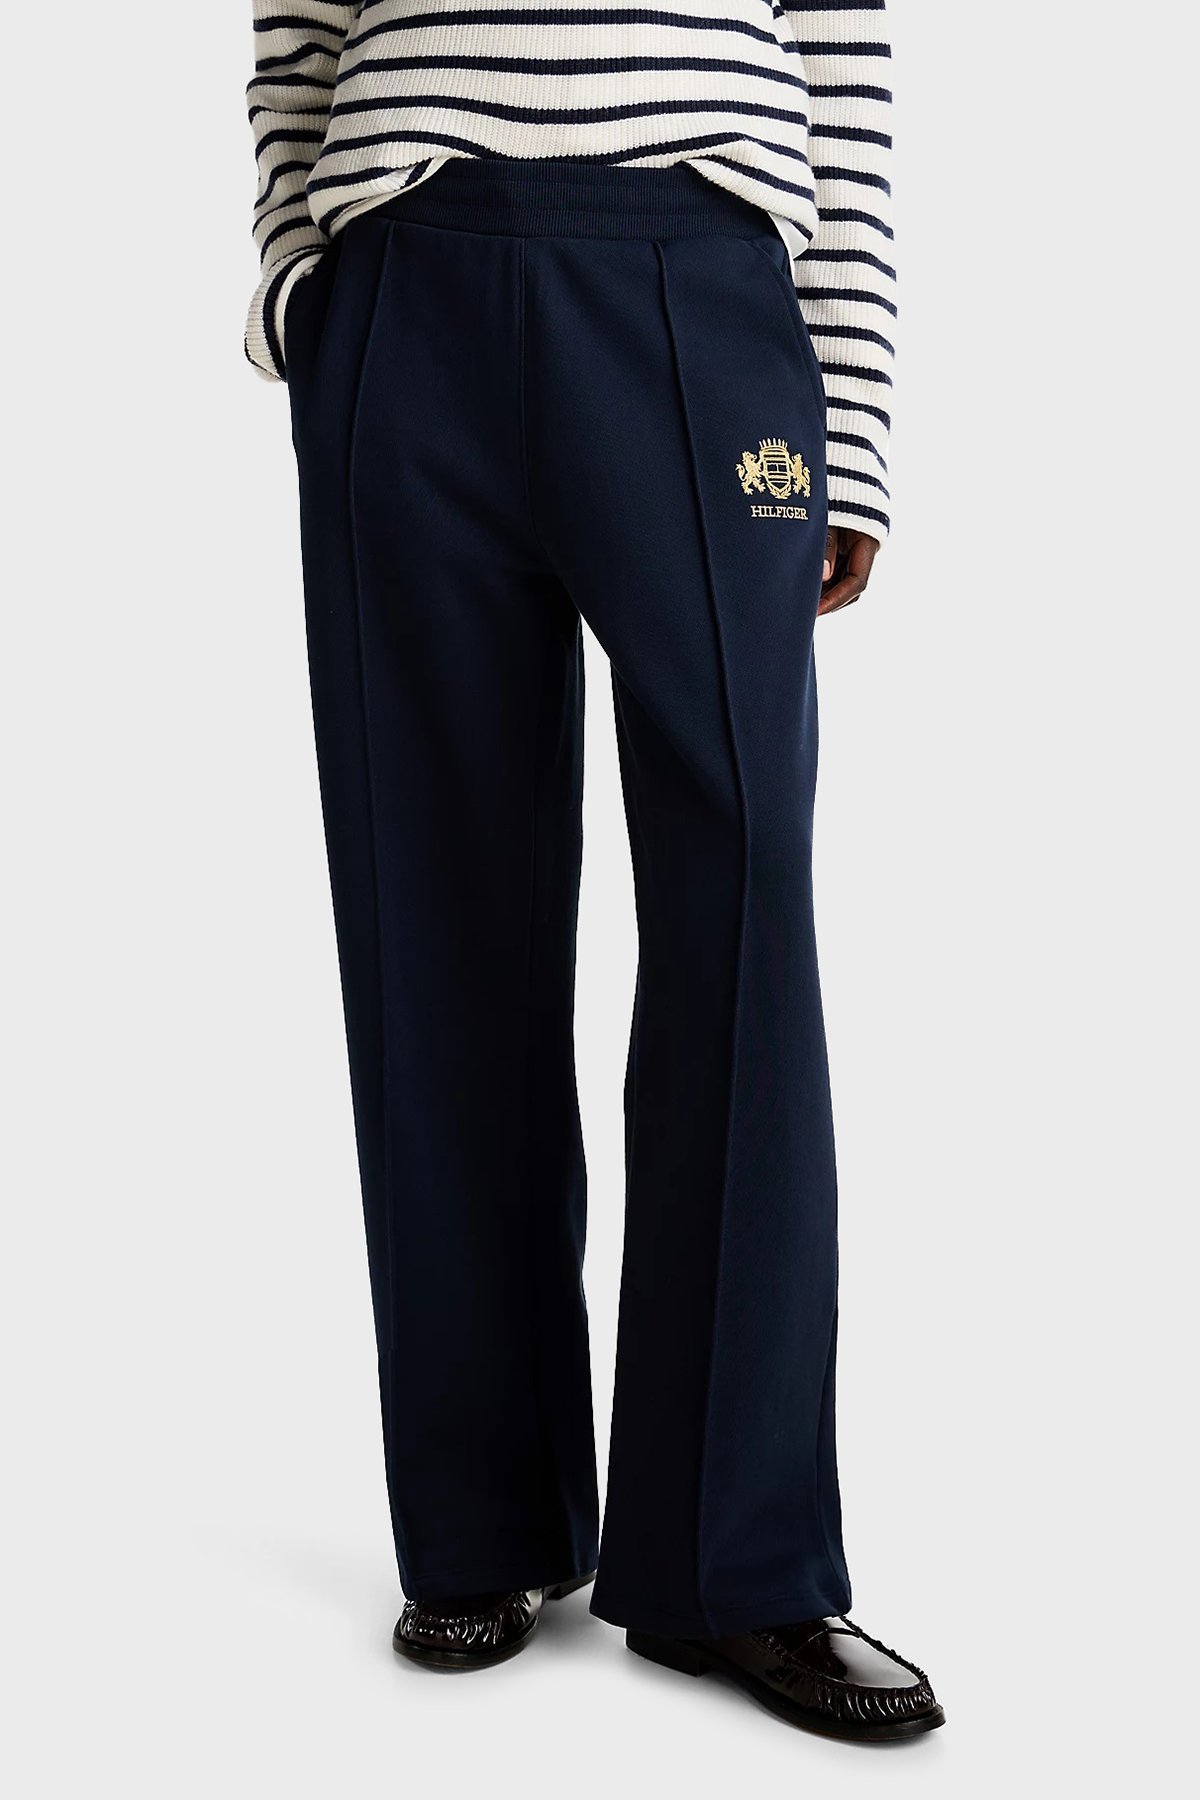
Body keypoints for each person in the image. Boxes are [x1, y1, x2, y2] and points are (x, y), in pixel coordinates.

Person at [244, 0, 942, 1741]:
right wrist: (303, 289)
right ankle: (480, 1523)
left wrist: (851, 416)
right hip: (409, 280)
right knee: (432, 913)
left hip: (703, 283)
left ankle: (740, 1562)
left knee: (743, 907)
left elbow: (843, 62)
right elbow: (295, 30)